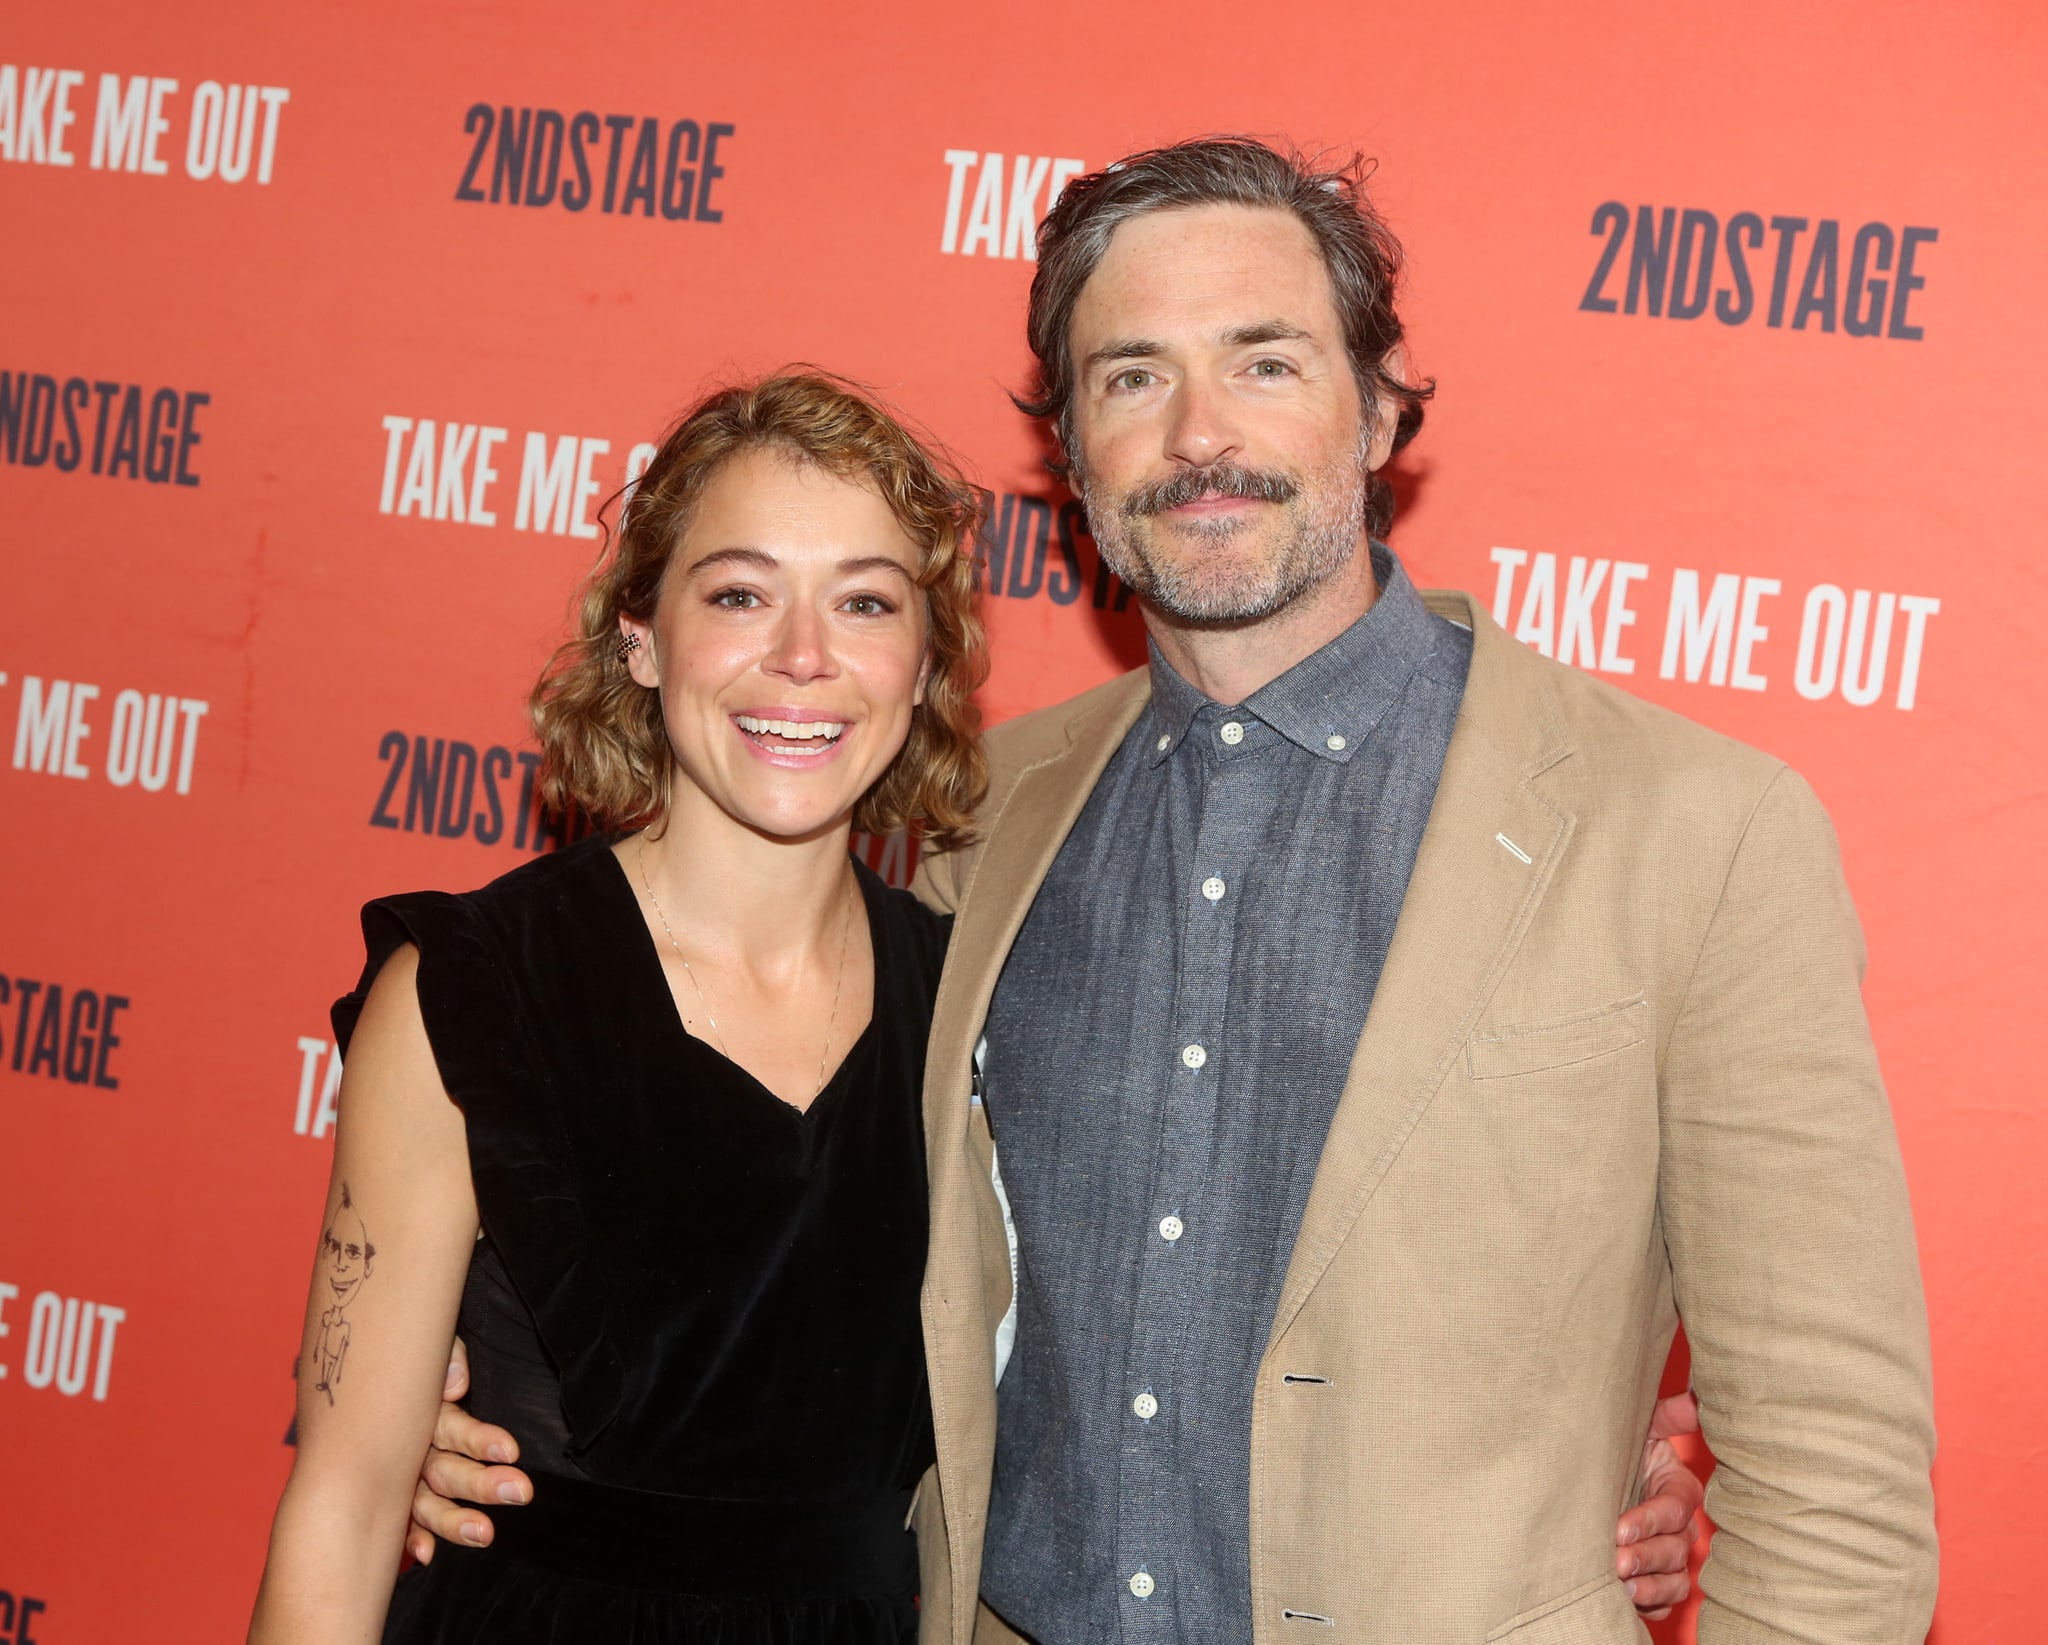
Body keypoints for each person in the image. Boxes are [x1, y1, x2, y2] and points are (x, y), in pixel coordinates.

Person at [411, 140, 1886, 1639]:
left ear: (1378, 409)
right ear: (1070, 455)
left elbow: (1834, 1472)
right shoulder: (967, 826)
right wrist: (444, 1392)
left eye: (1263, 361)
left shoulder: (1692, 831)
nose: (1200, 434)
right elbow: (750, 1219)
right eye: (1131, 377)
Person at [248, 373, 987, 1643]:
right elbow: (349, 1496)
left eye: (864, 601)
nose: (803, 656)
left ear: (922, 665)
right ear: (641, 637)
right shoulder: (476, 989)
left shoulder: (967, 1000)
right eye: (741, 595)